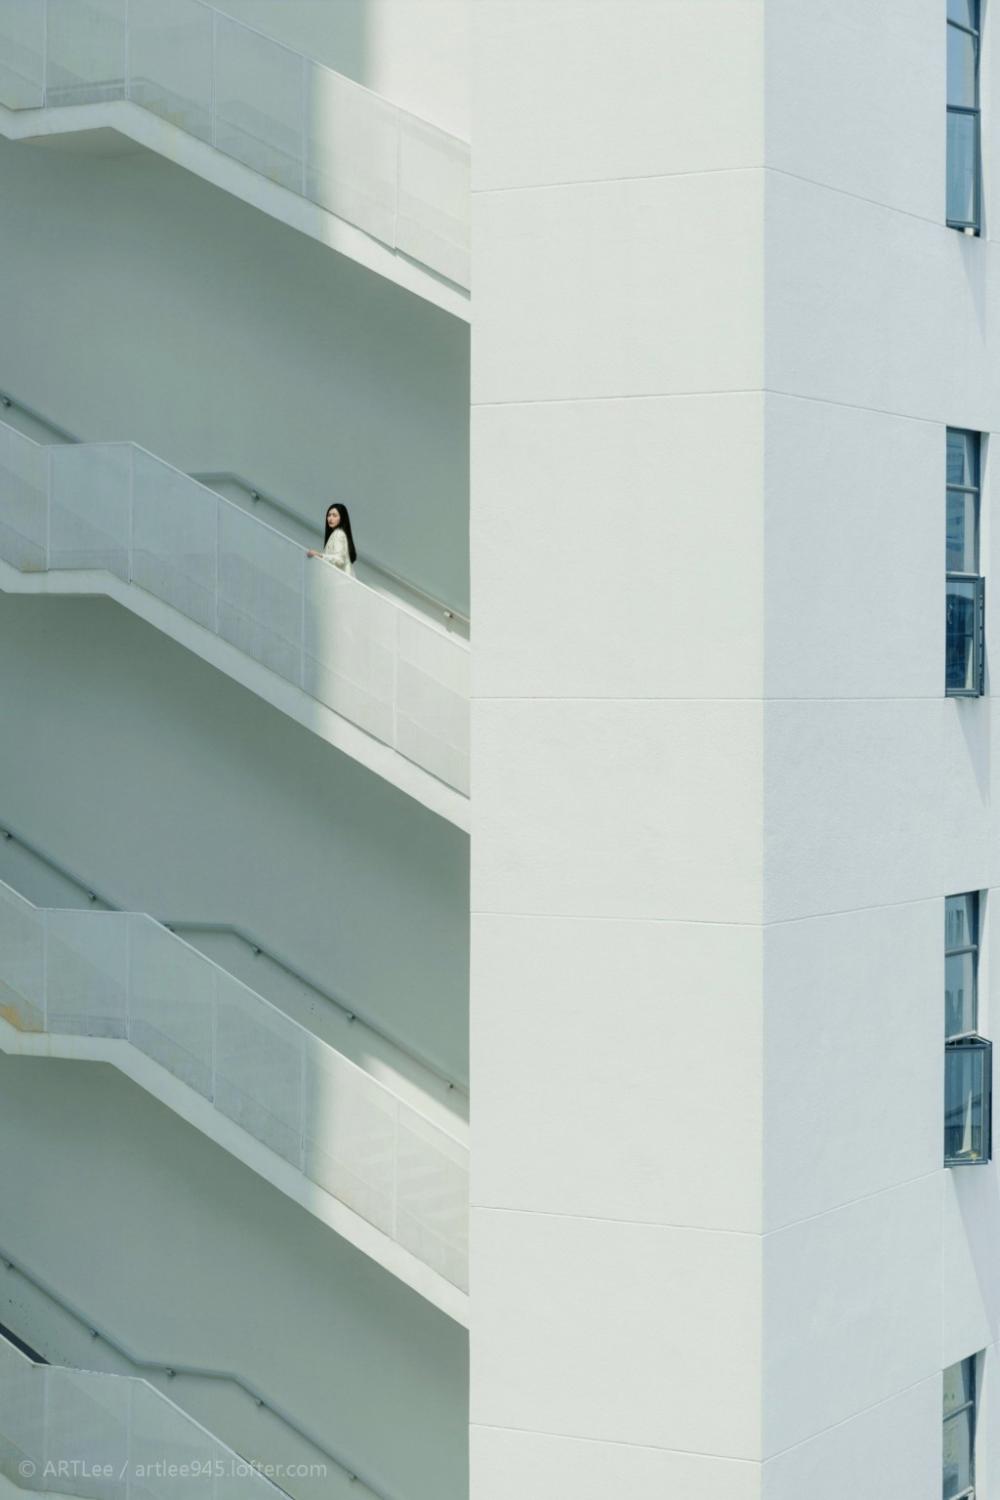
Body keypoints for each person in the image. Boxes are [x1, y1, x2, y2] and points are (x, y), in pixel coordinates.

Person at [307, 504, 357, 577]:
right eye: (329, 515)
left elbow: (340, 559)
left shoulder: (338, 534)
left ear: (341, 518)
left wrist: (320, 555)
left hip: (340, 582)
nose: (330, 518)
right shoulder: (336, 533)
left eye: (334, 515)